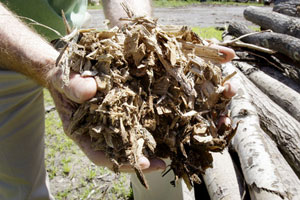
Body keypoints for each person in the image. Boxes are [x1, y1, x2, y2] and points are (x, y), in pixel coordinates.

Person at [0, 0, 236, 199]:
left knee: (156, 158)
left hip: (66, 38)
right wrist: (48, 68)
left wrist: (143, 38)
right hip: (4, 44)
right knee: (18, 188)